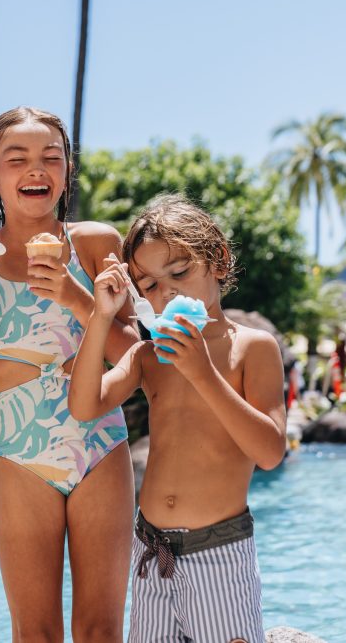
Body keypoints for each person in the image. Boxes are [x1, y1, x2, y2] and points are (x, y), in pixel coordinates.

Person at [0, 106, 140, 642]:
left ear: (67, 171)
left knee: (100, 631)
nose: (37, 169)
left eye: (52, 157)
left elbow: (136, 357)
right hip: (20, 451)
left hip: (99, 442)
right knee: (35, 633)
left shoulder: (96, 244)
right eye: (18, 159)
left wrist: (77, 297)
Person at [68, 193, 287, 643]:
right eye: (148, 285)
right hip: (152, 550)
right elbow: (84, 404)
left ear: (219, 262)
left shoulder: (253, 347)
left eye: (180, 272)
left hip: (219, 554)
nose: (165, 292)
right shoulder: (148, 355)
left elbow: (270, 452)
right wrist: (100, 315)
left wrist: (203, 374)